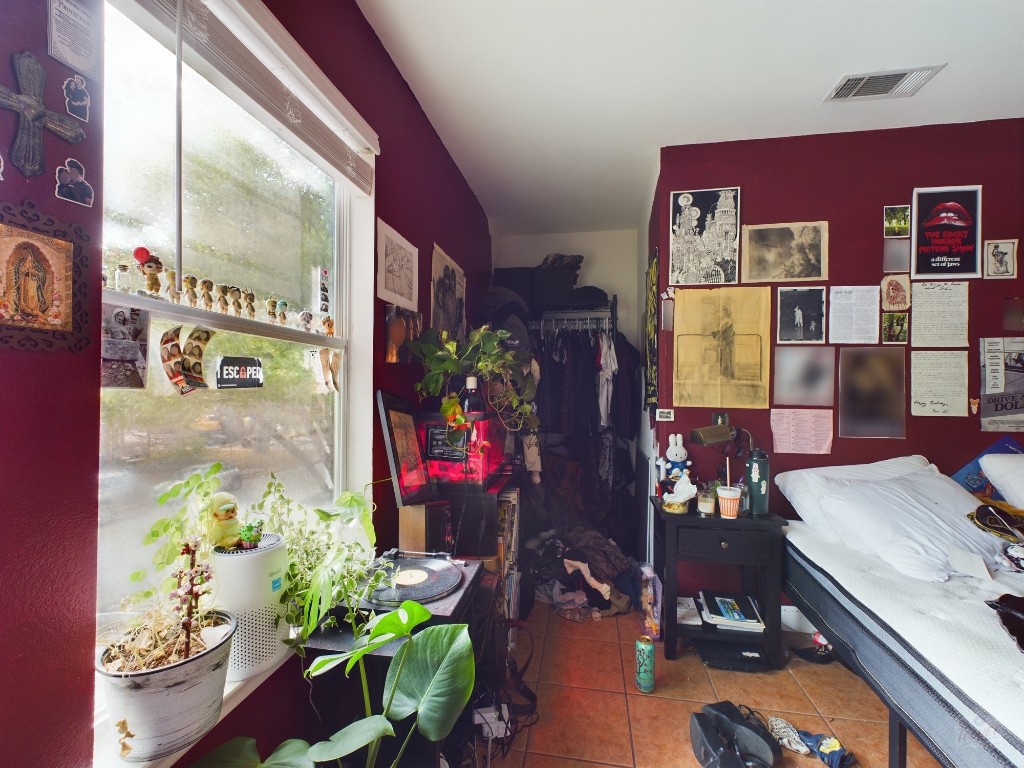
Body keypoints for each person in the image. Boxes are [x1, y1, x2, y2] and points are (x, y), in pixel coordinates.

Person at [711, 304, 736, 379]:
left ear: (724, 312)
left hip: (727, 344)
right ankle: (726, 376)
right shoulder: (723, 322)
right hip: (724, 344)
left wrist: (716, 335)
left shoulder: (727, 321)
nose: (719, 314)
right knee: (723, 359)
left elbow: (721, 332)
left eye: (720, 312)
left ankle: (726, 376)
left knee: (726, 359)